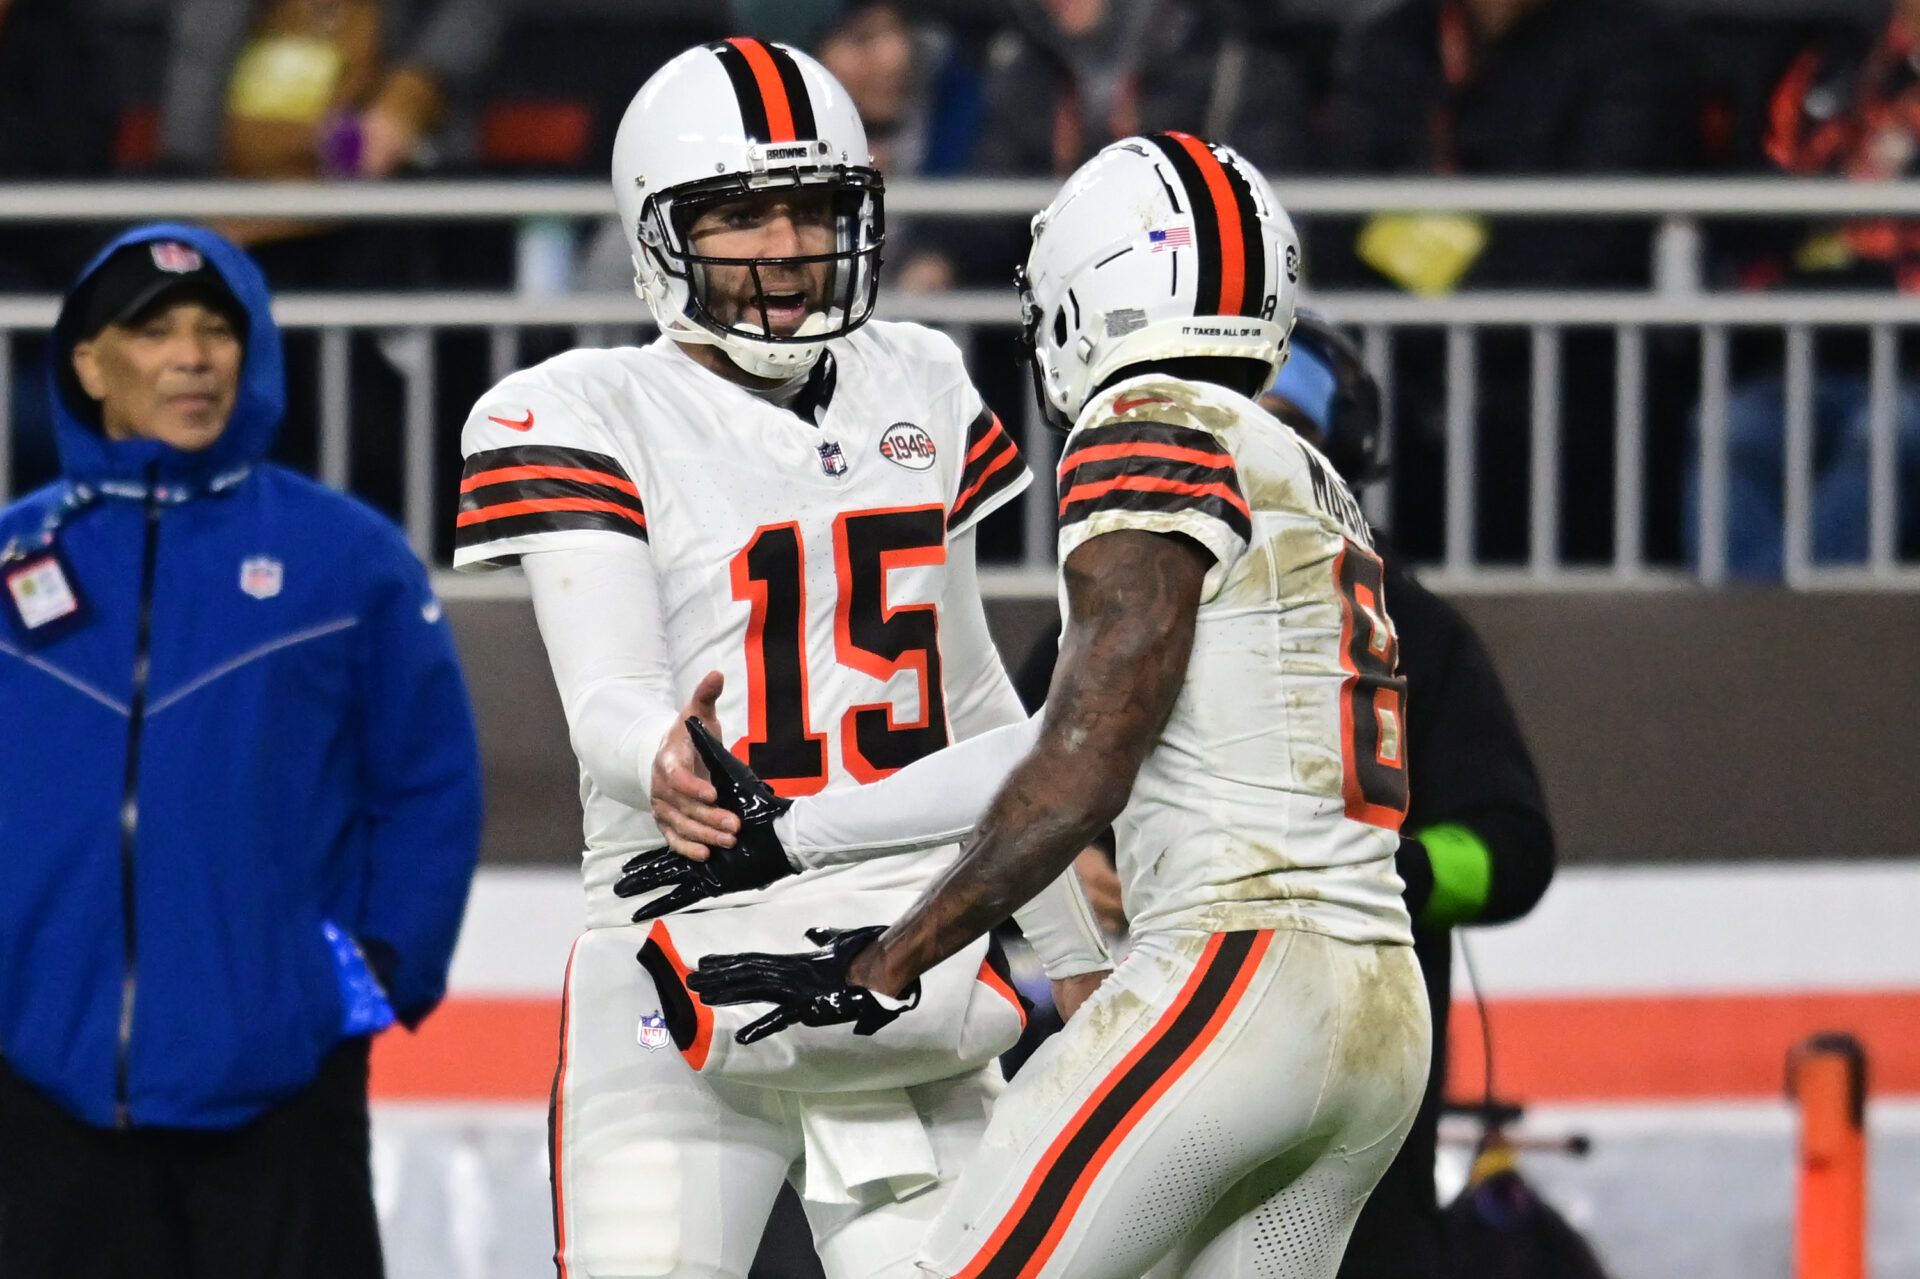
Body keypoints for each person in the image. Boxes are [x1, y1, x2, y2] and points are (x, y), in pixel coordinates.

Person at [667, 131, 1432, 1277]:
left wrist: (887, 960)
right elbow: (1054, 742)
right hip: (1379, 1001)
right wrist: (791, 833)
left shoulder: (1149, 425)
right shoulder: (1295, 466)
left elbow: (1079, 769)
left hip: (1237, 979)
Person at [450, 39, 1111, 1279]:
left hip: (898, 953)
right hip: (680, 943)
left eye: (813, 208)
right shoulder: (581, 407)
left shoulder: (915, 375)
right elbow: (607, 688)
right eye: (742, 213)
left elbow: (972, 696)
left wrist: (1073, 949)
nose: (786, 245)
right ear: (661, 233)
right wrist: (662, 752)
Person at [0, 223, 483, 1279]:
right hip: (38, 1084)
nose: (191, 355)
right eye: (155, 329)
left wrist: (363, 982)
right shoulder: (12, 561)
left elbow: (429, 781)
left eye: (216, 327)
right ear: (88, 363)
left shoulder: (346, 558)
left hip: (279, 1085)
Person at [1259, 314, 1557, 1279]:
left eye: (1279, 430)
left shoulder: (1417, 633)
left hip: (1362, 1114)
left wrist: (1379, 871)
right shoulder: (1109, 612)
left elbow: (1511, 852)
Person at [1692, 0, 1920, 577]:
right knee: (1730, 428)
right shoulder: (1833, 63)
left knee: (1886, 434)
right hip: (1812, 349)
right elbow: (1767, 198)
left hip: (1912, 366)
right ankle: (1743, 642)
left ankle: (1810, 648)